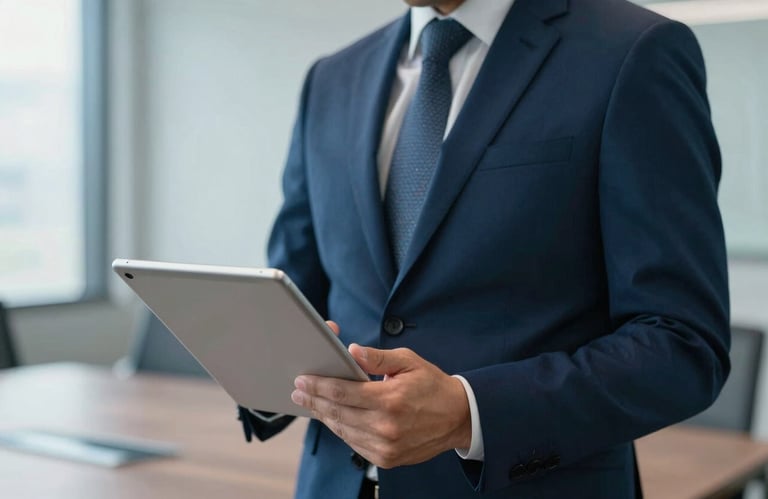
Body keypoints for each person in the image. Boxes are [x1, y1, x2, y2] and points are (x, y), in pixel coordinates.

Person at [239, 0, 730, 497]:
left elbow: (682, 344)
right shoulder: (331, 78)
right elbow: (294, 298)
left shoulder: (633, 52)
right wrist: (259, 371)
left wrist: (468, 412)